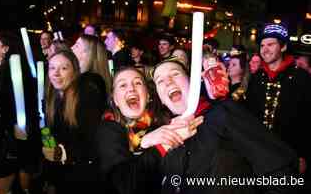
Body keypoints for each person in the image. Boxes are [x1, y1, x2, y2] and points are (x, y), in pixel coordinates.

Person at [151, 59, 298, 193]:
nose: (168, 82)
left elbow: (284, 177)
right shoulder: (166, 140)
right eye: (160, 81)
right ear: (161, 99)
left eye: (175, 74)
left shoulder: (223, 113)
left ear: (192, 82)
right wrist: (145, 143)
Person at [96, 67, 203, 194]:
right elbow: (124, 185)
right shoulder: (108, 130)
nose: (131, 88)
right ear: (115, 100)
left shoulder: (166, 123)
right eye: (123, 85)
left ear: (147, 96)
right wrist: (157, 144)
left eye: (137, 83)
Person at [246, 23, 311, 177]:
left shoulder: (301, 78)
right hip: (258, 155)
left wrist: (304, 154)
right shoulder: (256, 78)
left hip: (289, 157)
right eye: (262, 45)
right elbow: (249, 116)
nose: (265, 49)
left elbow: (308, 119)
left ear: (282, 47)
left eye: (270, 44)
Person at [0, 31, 39, 194]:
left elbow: (24, 108)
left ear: (5, 48)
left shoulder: (15, 73)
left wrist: (17, 130)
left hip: (10, 141)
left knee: (2, 188)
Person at [42, 49, 106, 194]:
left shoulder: (86, 96)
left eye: (63, 68)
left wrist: (64, 153)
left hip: (83, 176)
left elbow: (93, 141)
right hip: (60, 174)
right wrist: (50, 172)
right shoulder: (51, 97)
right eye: (52, 68)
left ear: (74, 72)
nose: (56, 73)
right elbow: (47, 132)